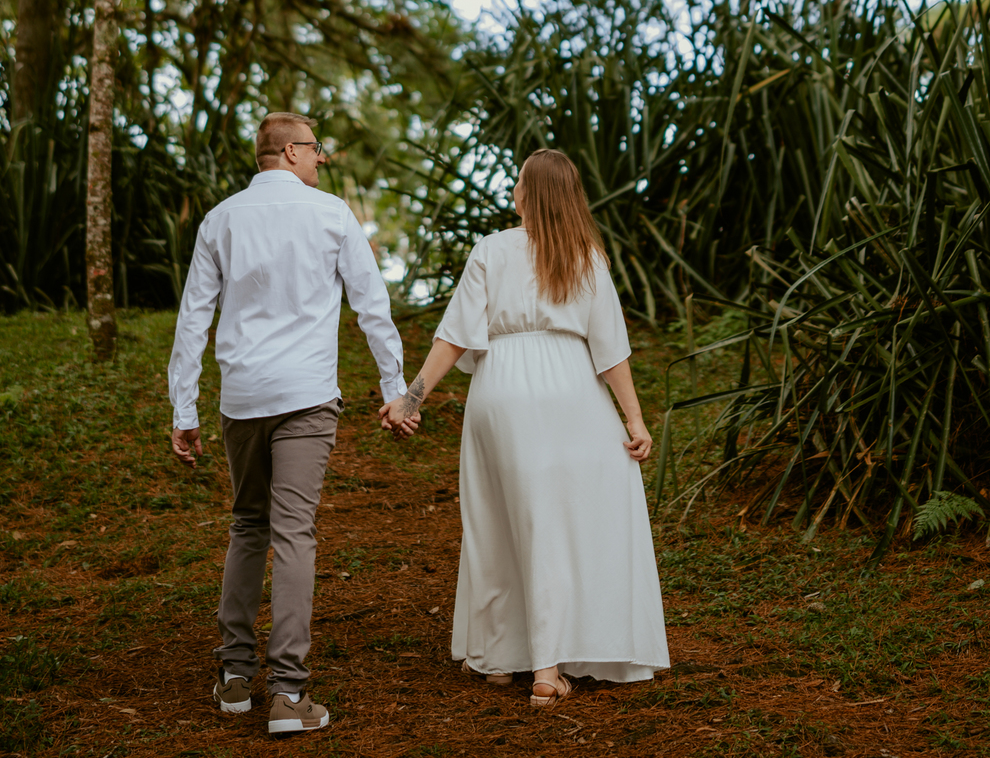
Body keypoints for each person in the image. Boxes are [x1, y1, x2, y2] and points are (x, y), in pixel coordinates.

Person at [379, 147, 670, 708]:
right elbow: (610, 351)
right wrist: (633, 418)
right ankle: (545, 669)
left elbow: (455, 336)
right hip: (570, 390)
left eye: (518, 182)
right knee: (569, 521)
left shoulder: (491, 249)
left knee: (496, 519)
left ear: (527, 194)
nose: (513, 190)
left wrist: (411, 398)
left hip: (500, 391)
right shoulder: (586, 256)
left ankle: (500, 657)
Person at [167, 112, 408, 736]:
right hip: (304, 395)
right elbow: (371, 305)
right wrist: (395, 389)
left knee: (249, 525)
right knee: (294, 534)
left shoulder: (221, 219)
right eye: (316, 148)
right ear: (290, 151)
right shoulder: (330, 214)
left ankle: (237, 677)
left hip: (242, 399)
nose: (321, 159)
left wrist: (183, 408)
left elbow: (194, 317)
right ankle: (291, 696)